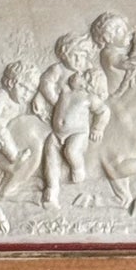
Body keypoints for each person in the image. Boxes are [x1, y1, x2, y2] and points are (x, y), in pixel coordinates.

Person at [41, 64, 110, 208]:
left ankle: (78, 168)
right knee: (50, 155)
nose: (78, 73)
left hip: (77, 133)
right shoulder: (65, 91)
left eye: (82, 75)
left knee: (71, 151)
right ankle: (52, 189)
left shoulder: (89, 98)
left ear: (88, 84)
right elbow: (48, 88)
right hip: (57, 134)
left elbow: (104, 111)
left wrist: (98, 128)